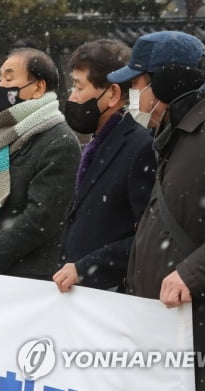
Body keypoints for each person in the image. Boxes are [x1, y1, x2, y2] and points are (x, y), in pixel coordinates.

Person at [107, 31, 205, 391]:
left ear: (166, 82)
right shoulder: (180, 133)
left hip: (202, 325)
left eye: (137, 83)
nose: (132, 97)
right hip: (165, 325)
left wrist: (191, 274)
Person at [0, 48, 80, 279]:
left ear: (38, 88)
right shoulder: (4, 134)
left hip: (27, 276)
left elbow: (40, 218)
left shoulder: (59, 140)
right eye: (1, 78)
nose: (2, 85)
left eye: (10, 78)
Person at [53, 39, 156, 292]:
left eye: (78, 87)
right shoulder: (100, 141)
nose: (72, 97)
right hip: (83, 294)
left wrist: (86, 267)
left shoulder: (139, 146)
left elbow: (149, 238)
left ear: (112, 94)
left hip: (111, 297)